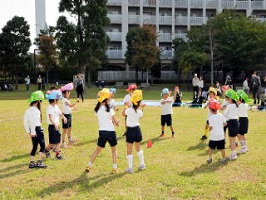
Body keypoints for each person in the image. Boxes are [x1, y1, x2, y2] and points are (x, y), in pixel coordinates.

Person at [85, 88, 120, 173]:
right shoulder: (109, 110)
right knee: (114, 150)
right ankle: (115, 168)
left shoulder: (97, 110)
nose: (110, 99)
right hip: (111, 132)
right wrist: (117, 122)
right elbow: (115, 123)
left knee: (97, 150)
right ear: (106, 99)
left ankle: (89, 165)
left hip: (102, 132)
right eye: (109, 98)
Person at [122, 90, 146, 173]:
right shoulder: (139, 111)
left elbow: (123, 114)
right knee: (138, 148)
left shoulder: (129, 110)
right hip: (137, 130)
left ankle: (130, 168)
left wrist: (126, 106)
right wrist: (141, 108)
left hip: (130, 130)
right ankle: (142, 164)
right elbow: (140, 114)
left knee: (129, 150)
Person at [23, 90, 48, 168]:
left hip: (32, 130)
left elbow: (25, 122)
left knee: (34, 146)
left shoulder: (27, 110)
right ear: (37, 102)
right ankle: (40, 162)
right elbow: (34, 123)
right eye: (41, 101)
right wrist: (34, 132)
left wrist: (29, 132)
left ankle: (32, 162)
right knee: (43, 146)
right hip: (37, 130)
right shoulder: (37, 111)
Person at [45, 89, 67, 160]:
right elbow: (50, 118)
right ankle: (46, 150)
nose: (58, 101)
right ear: (54, 100)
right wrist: (55, 124)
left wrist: (64, 117)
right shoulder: (50, 108)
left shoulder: (56, 106)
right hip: (52, 127)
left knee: (57, 141)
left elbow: (60, 113)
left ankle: (58, 155)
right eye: (57, 99)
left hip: (57, 126)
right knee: (52, 143)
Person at [60, 83, 78, 148]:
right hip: (65, 116)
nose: (69, 93)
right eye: (68, 92)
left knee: (69, 128)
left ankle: (70, 140)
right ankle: (63, 143)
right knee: (65, 130)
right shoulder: (64, 99)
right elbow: (70, 105)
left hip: (69, 115)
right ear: (65, 93)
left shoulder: (67, 99)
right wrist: (76, 102)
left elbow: (69, 108)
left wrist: (73, 109)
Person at [223, 89, 239, 160]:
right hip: (236, 122)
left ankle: (233, 154)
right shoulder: (236, 105)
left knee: (231, 140)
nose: (226, 100)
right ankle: (233, 153)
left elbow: (225, 114)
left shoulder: (229, 106)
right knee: (233, 138)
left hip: (231, 122)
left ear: (230, 99)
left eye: (226, 98)